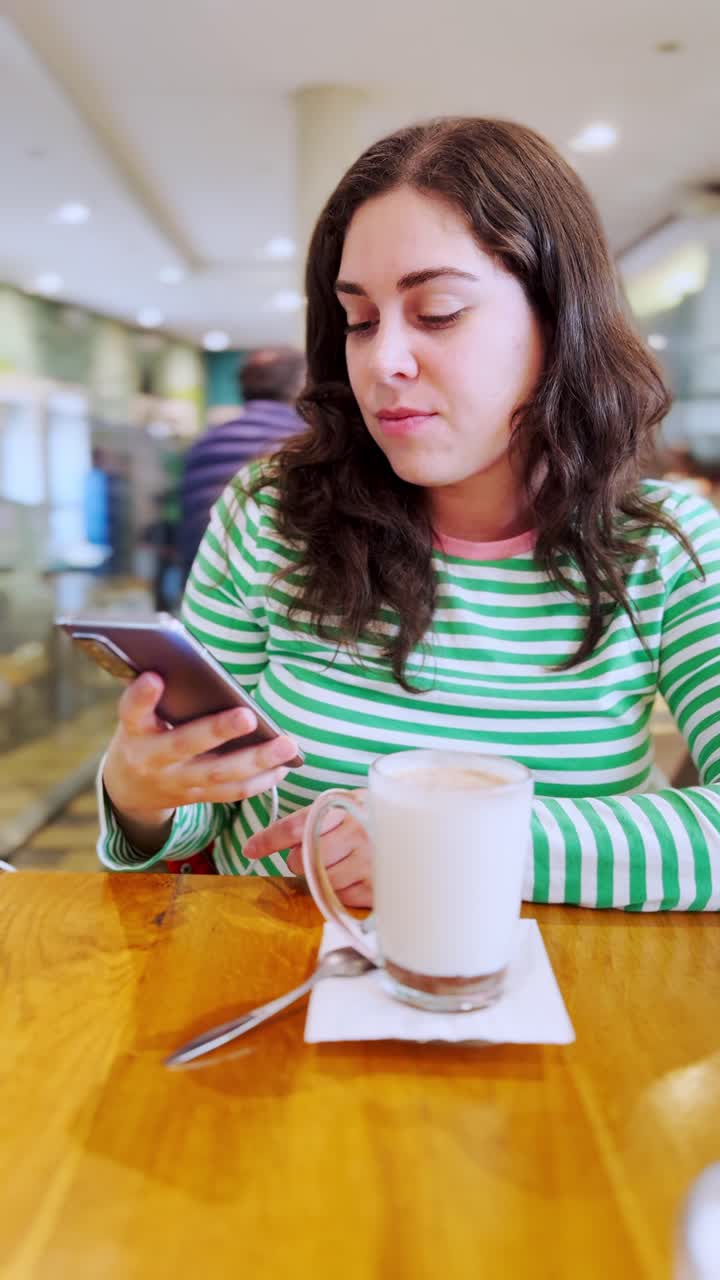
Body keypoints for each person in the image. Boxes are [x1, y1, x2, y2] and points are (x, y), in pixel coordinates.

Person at [97, 116, 720, 912]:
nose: (384, 361)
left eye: (438, 312)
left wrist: (455, 842)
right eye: (359, 320)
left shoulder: (663, 547)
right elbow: (199, 813)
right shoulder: (269, 517)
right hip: (271, 988)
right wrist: (142, 794)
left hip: (549, 1008)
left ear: (559, 323)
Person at [177, 346, 305, 577]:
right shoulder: (304, 445)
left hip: (202, 580)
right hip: (267, 587)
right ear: (300, 386)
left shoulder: (203, 444)